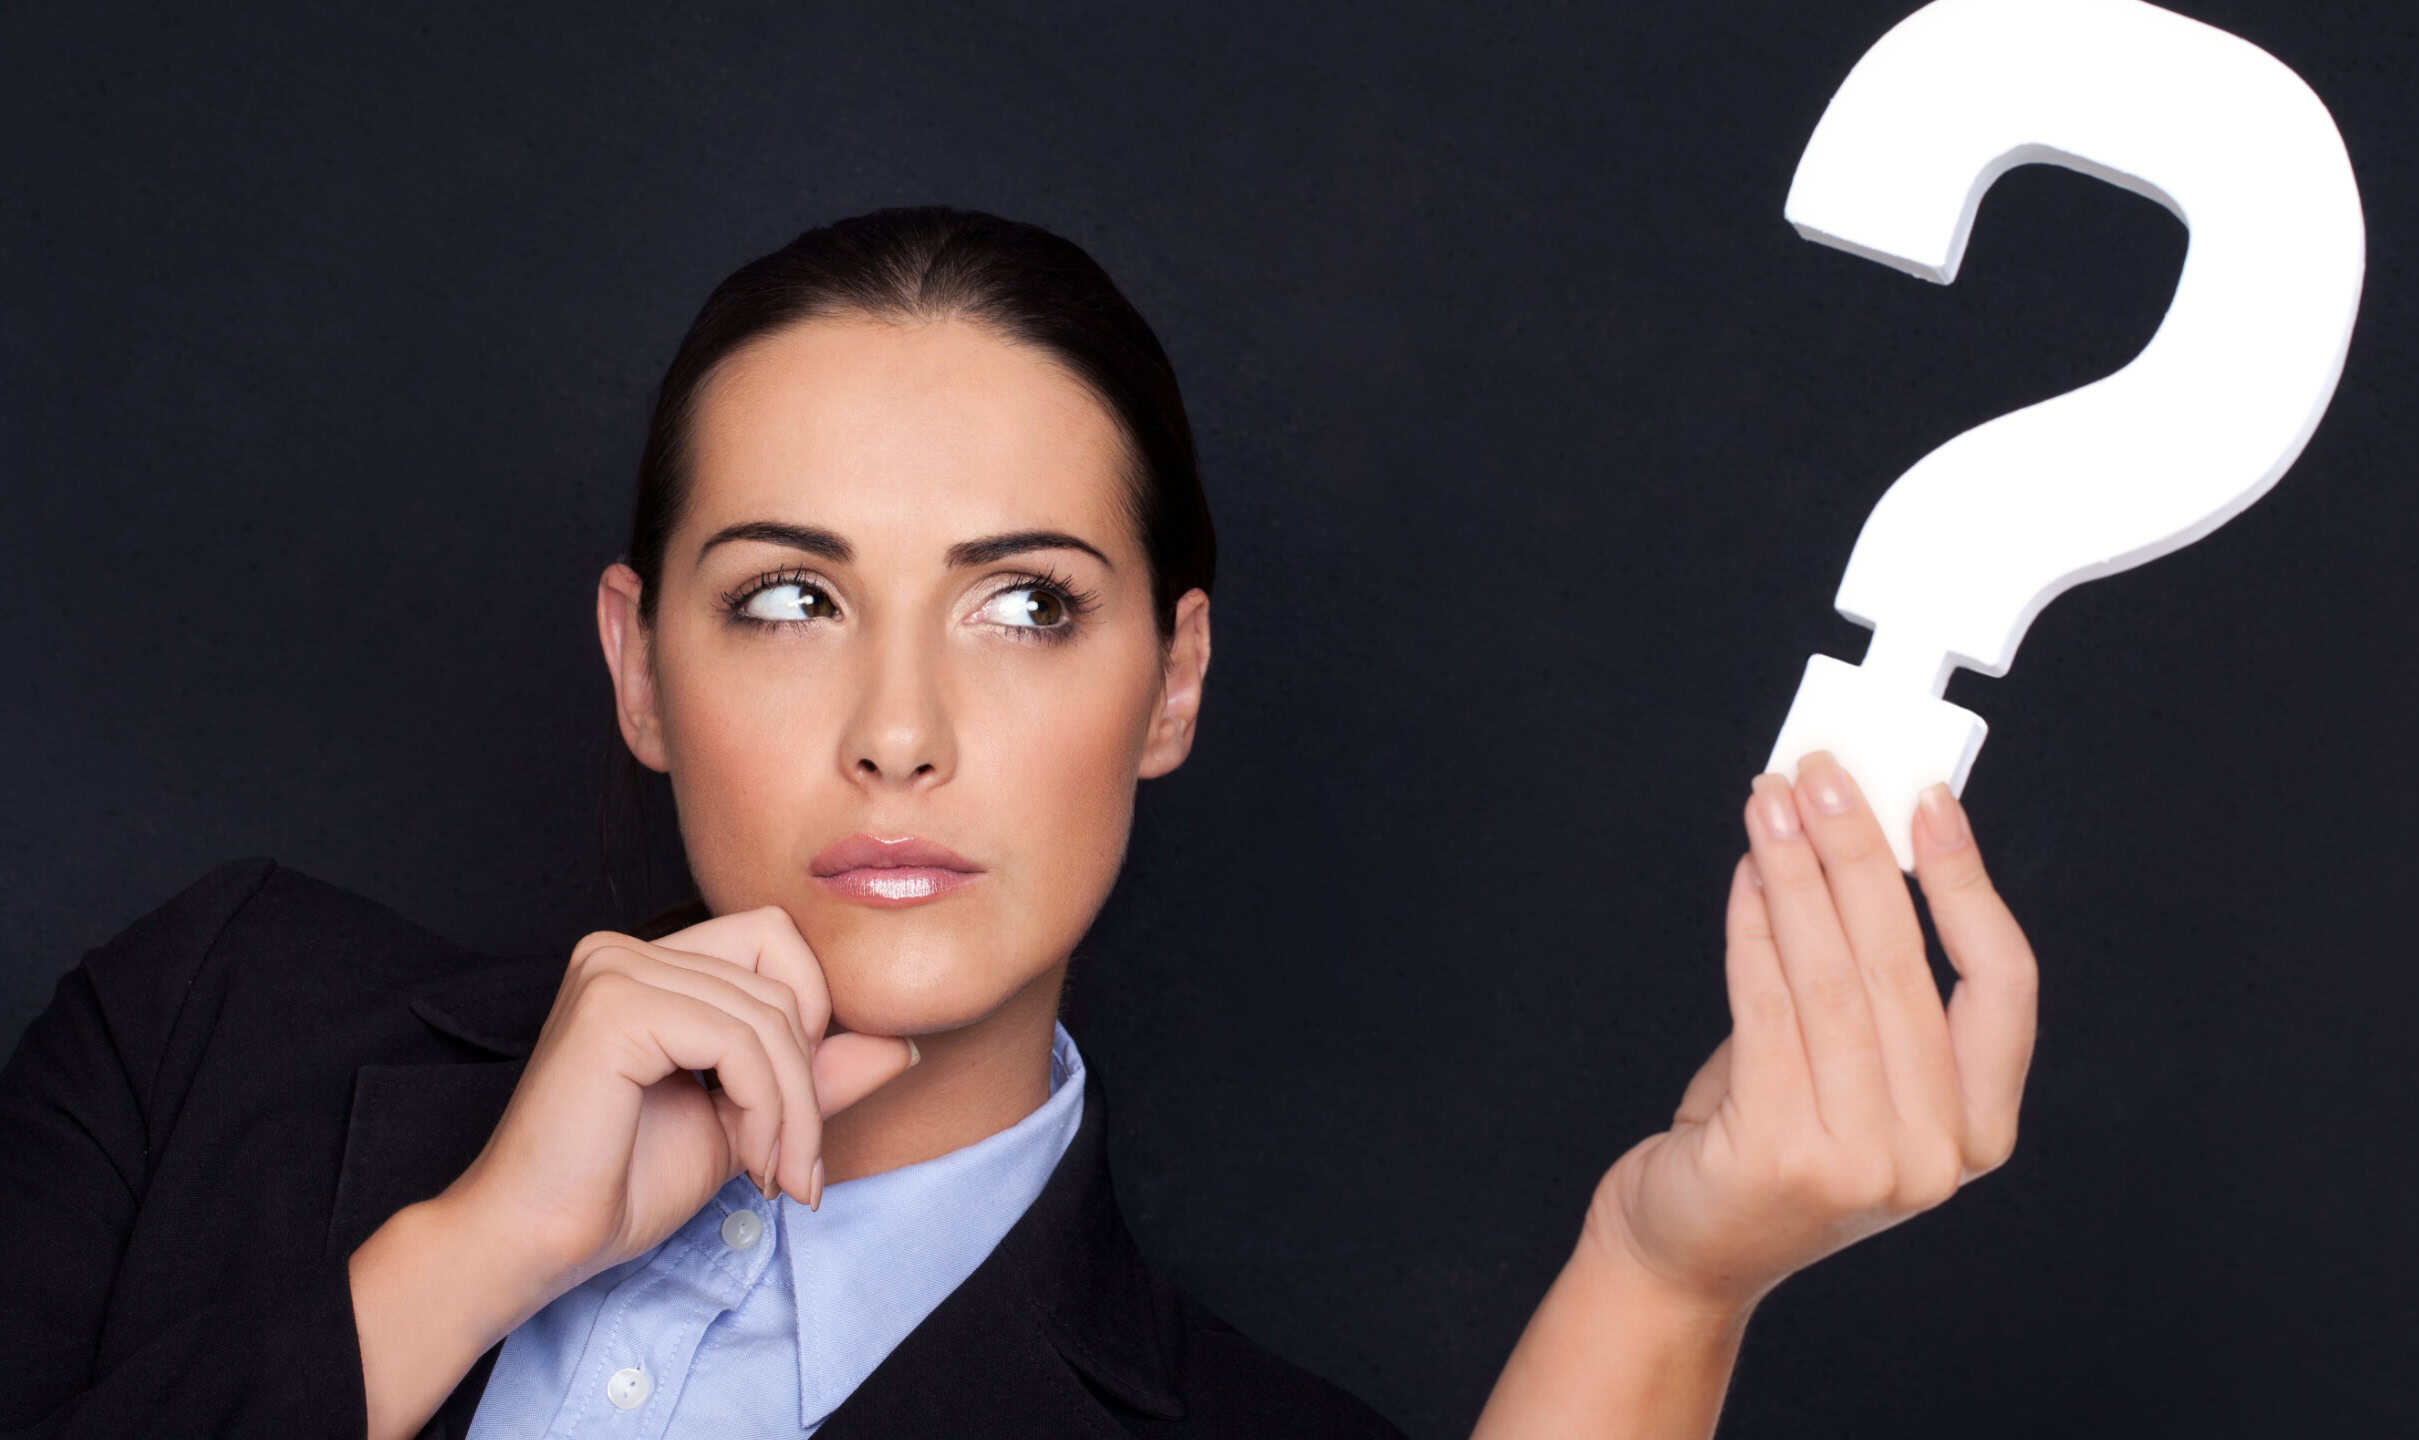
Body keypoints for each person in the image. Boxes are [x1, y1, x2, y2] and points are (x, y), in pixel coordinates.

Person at [0, 205, 2042, 1439]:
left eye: (1024, 606)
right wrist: (451, 1270)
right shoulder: (214, 1032)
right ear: (639, 666)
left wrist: (1662, 1281)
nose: (897, 732)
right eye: (787, 600)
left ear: (1167, 684)